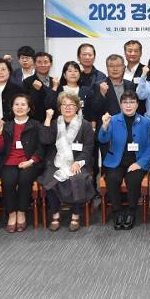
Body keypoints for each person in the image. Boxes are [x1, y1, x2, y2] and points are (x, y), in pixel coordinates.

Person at [39, 93, 96, 232]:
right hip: (57, 162)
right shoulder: (54, 123)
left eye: (71, 105)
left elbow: (88, 149)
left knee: (77, 178)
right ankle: (55, 213)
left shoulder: (85, 125)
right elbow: (45, 140)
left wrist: (78, 162)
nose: (67, 107)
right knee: (50, 178)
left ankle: (76, 214)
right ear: (59, 108)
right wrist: (47, 119)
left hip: (79, 162)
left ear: (77, 107)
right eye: (64, 104)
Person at [97, 90, 150, 230]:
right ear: (121, 105)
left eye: (132, 102)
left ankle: (131, 212)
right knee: (112, 179)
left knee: (133, 179)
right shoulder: (113, 120)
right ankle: (117, 212)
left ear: (137, 104)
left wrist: (140, 163)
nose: (128, 105)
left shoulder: (145, 122)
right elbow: (102, 139)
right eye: (125, 102)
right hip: (116, 161)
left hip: (136, 161)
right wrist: (104, 126)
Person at [0, 94, 45, 232]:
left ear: (29, 108)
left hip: (30, 161)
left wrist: (31, 161)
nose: (19, 107)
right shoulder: (6, 126)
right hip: (9, 162)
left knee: (25, 179)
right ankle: (11, 214)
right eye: (16, 104)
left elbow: (41, 148)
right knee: (8, 181)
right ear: (12, 107)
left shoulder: (36, 125)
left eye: (23, 104)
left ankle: (21, 212)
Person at [93, 54, 136, 120]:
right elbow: (95, 111)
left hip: (128, 122)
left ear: (124, 67)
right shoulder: (99, 85)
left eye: (118, 66)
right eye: (111, 66)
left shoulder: (130, 85)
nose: (115, 69)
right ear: (107, 68)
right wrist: (102, 94)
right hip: (108, 123)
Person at [23, 51, 57, 122]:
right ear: (34, 64)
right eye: (39, 62)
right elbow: (27, 104)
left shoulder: (55, 82)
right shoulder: (27, 82)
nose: (43, 65)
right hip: (34, 122)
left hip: (53, 122)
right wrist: (35, 90)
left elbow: (58, 105)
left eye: (46, 62)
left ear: (51, 64)